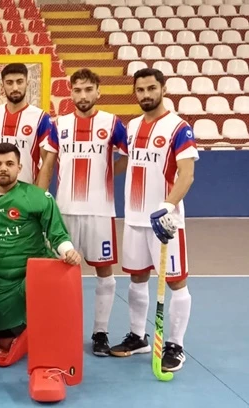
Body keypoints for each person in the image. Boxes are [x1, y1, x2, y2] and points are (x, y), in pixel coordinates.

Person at [0, 142, 82, 367]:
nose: (3, 168)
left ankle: (46, 331)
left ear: (19, 167)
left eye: (9, 163)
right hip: (4, 280)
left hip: (35, 272)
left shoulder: (37, 197)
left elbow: (56, 233)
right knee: (4, 344)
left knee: (47, 324)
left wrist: (68, 251)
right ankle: (25, 325)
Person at [108, 68, 197, 372]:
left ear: (163, 89)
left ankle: (175, 345)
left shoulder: (179, 128)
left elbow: (187, 174)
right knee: (136, 278)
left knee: (176, 282)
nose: (145, 94)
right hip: (134, 218)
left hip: (165, 222)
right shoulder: (132, 127)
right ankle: (138, 337)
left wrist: (167, 207)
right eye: (140, 89)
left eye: (151, 88)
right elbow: (124, 162)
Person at [38, 68, 129, 356]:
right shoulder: (59, 124)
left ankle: (100, 332)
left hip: (100, 212)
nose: (83, 95)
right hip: (64, 211)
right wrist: (40, 202)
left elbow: (129, 156)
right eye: (77, 90)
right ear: (71, 93)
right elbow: (48, 164)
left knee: (104, 270)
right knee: (59, 270)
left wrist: (107, 174)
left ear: (98, 91)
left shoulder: (112, 123)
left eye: (89, 89)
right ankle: (59, 326)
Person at [0, 63, 55, 186]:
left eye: (19, 82)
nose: (15, 88)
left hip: (26, 191)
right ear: (2, 85)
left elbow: (47, 163)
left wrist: (38, 193)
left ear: (27, 83)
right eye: (9, 83)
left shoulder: (41, 118)